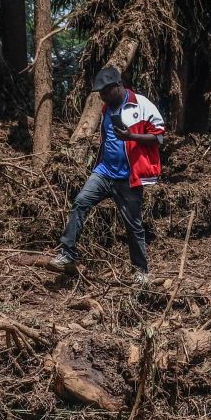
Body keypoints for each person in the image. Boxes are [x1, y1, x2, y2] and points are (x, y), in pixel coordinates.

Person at [50, 66, 163, 284]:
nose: (101, 96)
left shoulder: (141, 104)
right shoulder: (106, 109)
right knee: (81, 202)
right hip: (104, 172)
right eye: (100, 92)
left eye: (105, 91)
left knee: (133, 226)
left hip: (129, 177)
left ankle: (141, 271)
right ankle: (67, 254)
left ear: (118, 86)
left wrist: (132, 136)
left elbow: (159, 137)